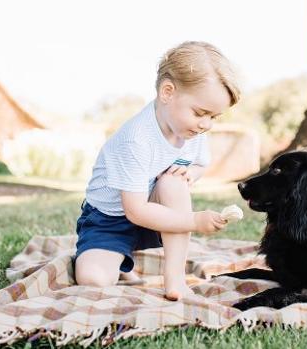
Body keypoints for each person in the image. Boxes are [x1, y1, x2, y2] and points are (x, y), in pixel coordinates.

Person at [74, 41, 241, 301]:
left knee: (174, 183)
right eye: (201, 113)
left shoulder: (191, 130)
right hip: (110, 219)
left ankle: (174, 280)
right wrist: (195, 221)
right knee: (93, 281)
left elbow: (199, 164)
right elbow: (135, 210)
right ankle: (116, 259)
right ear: (167, 92)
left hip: (155, 213)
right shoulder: (137, 139)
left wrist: (189, 175)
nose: (206, 124)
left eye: (214, 117)